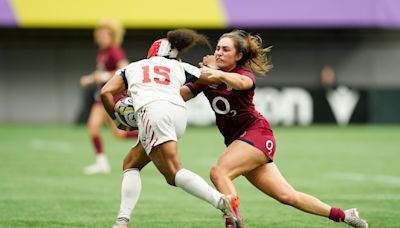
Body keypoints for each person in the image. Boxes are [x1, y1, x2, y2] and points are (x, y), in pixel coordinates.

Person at [180, 30, 369, 228]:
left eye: (225, 49)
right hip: (240, 141)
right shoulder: (206, 79)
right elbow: (181, 95)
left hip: (257, 134)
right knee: (287, 195)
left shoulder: (242, 75)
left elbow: (242, 83)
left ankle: (233, 220)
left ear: (238, 56)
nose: (218, 52)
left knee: (219, 172)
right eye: (217, 48)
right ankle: (345, 215)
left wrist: (214, 73)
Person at [100, 29, 241, 228]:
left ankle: (220, 201)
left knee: (173, 173)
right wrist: (213, 66)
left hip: (153, 111)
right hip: (178, 115)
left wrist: (116, 118)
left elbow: (106, 92)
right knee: (131, 162)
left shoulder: (134, 67)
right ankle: (122, 221)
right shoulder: (179, 66)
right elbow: (213, 78)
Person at [79, 18, 138, 175]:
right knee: (110, 132)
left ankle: (151, 135)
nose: (101, 37)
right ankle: (101, 162)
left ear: (113, 36)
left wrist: (104, 76)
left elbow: (125, 68)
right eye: (100, 34)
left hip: (113, 96)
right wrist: (90, 78)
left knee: (110, 131)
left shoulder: (114, 51)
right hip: (103, 96)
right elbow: (101, 74)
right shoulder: (102, 52)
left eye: (105, 34)